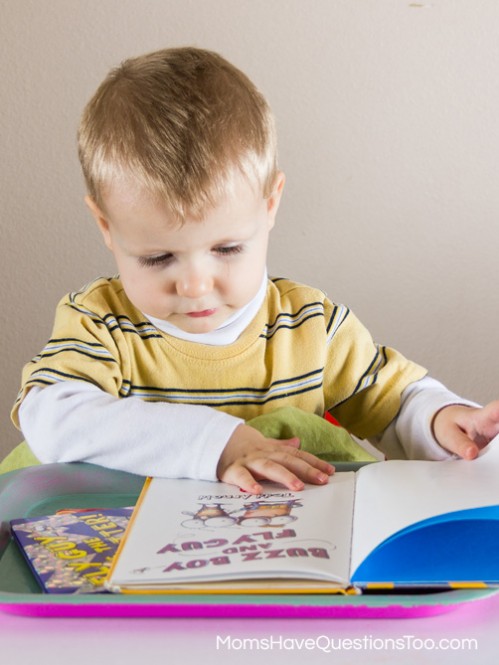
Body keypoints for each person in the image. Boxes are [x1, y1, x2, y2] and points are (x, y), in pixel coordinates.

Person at [11, 47, 499, 494]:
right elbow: (50, 417)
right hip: (138, 571)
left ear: (270, 204)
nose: (196, 284)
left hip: (293, 562)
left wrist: (441, 419)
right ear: (106, 226)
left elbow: (392, 401)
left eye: (226, 248)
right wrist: (218, 444)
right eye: (158, 258)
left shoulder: (312, 326)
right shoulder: (101, 324)